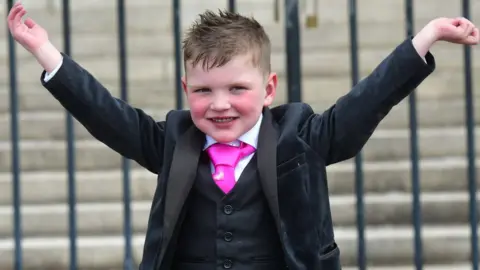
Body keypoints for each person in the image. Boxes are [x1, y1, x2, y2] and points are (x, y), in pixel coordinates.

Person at [7, 2, 479, 270]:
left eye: (237, 88)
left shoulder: (301, 135)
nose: (220, 104)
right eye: (204, 90)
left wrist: (427, 37)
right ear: (185, 90)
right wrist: (47, 52)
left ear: (269, 88)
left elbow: (366, 100)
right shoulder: (175, 138)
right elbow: (107, 114)